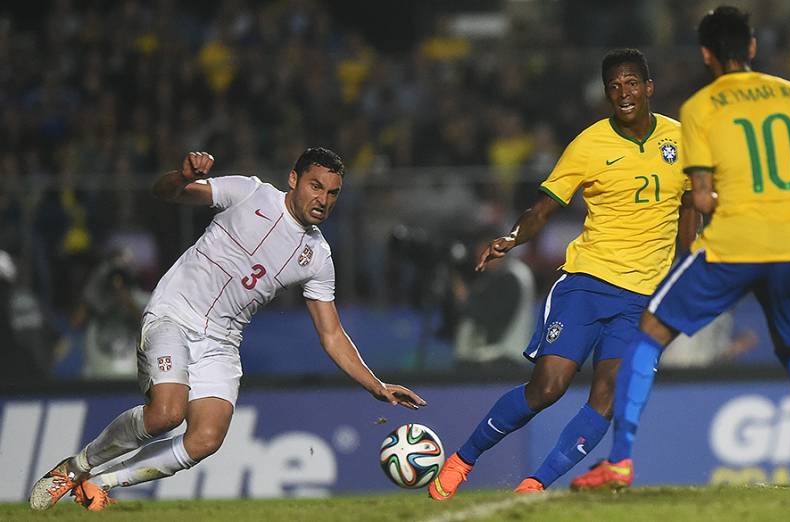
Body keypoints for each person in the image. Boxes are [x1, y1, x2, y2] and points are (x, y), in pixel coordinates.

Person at [606, 6, 790, 494]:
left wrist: (729, 198)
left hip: (734, 245)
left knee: (650, 331)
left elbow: (700, 198)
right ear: (751, 47)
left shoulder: (700, 108)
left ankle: (619, 462)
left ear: (706, 55)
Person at [30, 148, 426, 511]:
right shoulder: (249, 193)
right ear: (294, 179)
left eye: (333, 193)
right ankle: (76, 467)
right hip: (174, 314)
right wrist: (182, 176)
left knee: (205, 439)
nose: (322, 199)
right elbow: (166, 193)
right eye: (315, 186)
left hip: (222, 342)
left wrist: (376, 385)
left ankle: (102, 483)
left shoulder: (318, 257)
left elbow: (331, 334)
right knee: (166, 414)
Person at [428, 48, 696, 500]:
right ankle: (462, 461)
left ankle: (533, 486)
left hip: (643, 299)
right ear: (606, 94)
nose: (623, 92)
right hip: (587, 284)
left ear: (649, 88)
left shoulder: (683, 140)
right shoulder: (590, 144)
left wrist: (690, 263)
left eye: (632, 83)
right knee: (547, 387)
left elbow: (690, 205)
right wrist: (513, 237)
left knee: (607, 396)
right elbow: (545, 208)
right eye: (614, 86)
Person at [67, 249, 151, 379]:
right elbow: (75, 324)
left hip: (132, 374)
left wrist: (127, 300)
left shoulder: (142, 299)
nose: (117, 282)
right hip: (98, 373)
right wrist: (92, 288)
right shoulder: (95, 299)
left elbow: (150, 327)